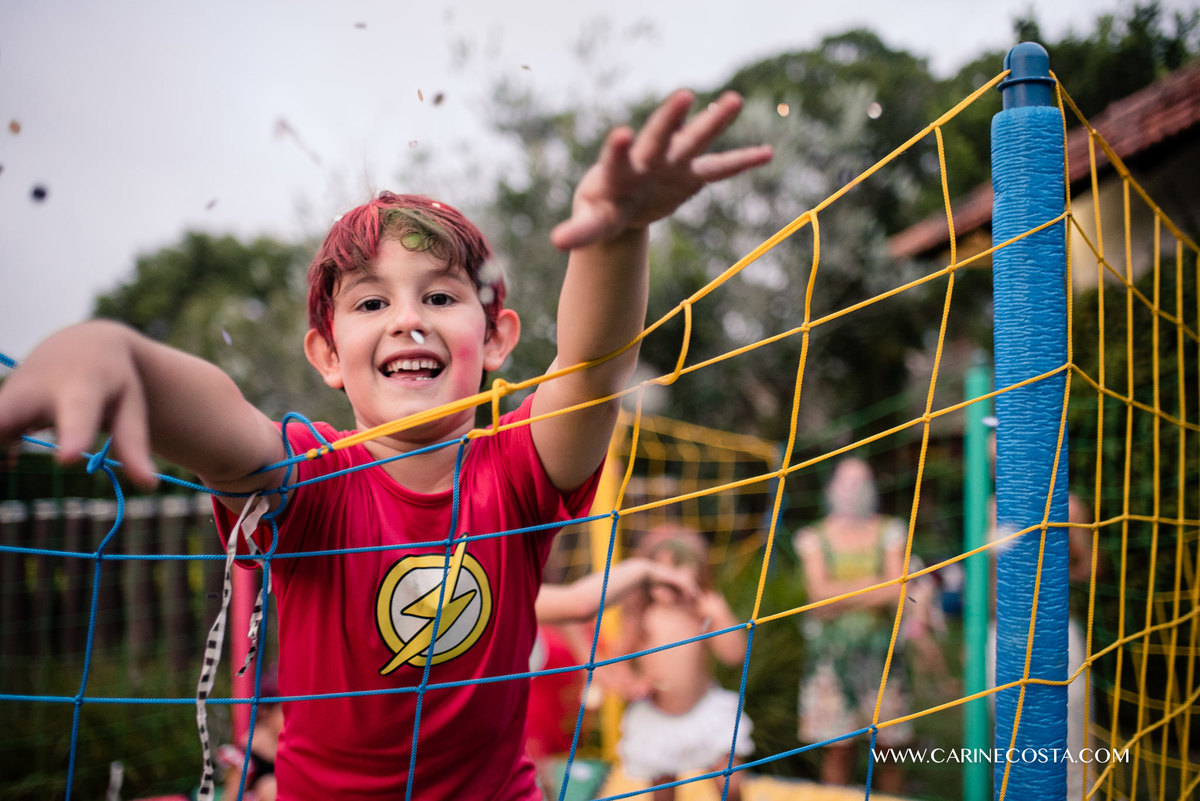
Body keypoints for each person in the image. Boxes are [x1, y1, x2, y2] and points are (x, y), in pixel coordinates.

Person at [0, 91, 772, 800]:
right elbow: (225, 425)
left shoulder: (521, 470)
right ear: (328, 355)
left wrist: (619, 233)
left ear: (497, 336)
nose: (409, 318)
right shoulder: (312, 483)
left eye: (439, 294)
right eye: (372, 300)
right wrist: (121, 354)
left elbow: (593, 363)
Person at [528, 558, 701, 796]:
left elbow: (593, 658)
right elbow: (580, 604)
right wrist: (644, 570)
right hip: (507, 724)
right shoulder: (510, 597)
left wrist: (626, 683)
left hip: (526, 731)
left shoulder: (536, 599)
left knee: (536, 778)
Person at [607, 524, 754, 801]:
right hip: (657, 718)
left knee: (729, 785)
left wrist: (720, 616)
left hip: (703, 712)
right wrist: (632, 684)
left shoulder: (700, 615)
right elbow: (615, 663)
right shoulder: (640, 618)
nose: (670, 580)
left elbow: (734, 656)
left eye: (679, 571)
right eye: (661, 573)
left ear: (696, 575)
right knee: (662, 792)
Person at [794, 456, 914, 794]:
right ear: (832, 487)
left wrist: (840, 595)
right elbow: (818, 594)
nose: (855, 490)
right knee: (837, 750)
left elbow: (896, 590)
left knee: (890, 751)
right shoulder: (813, 536)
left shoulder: (890, 530)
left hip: (883, 658)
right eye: (847, 481)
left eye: (863, 480)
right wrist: (874, 585)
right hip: (831, 662)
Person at [219, 666, 284, 801]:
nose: (292, 718)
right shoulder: (248, 752)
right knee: (269, 786)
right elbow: (230, 797)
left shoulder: (293, 743)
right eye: (284, 711)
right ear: (266, 712)